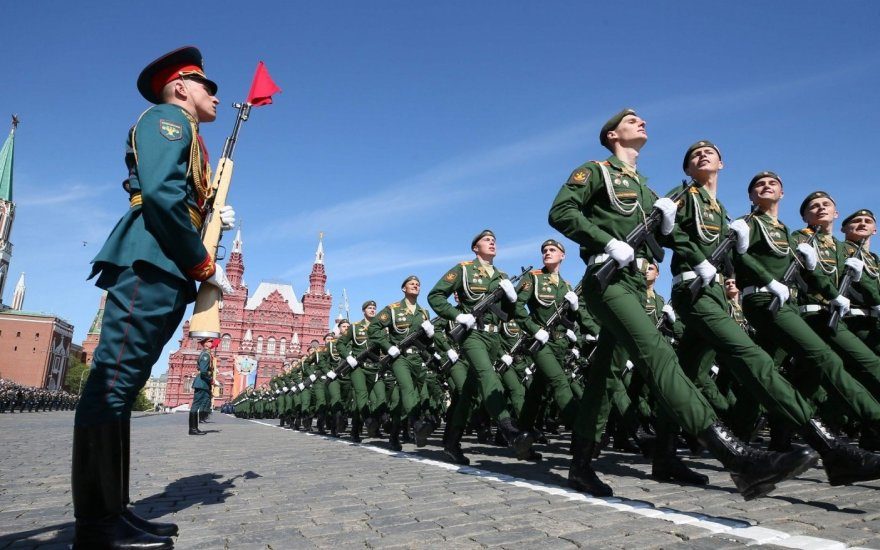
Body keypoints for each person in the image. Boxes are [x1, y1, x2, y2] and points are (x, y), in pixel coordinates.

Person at [548, 109, 816, 500]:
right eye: (631, 121)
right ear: (612, 135)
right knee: (659, 356)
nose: (641, 123)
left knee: (604, 376)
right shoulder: (595, 172)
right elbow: (561, 212)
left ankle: (581, 464)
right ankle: (737, 458)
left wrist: (676, 232)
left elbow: (669, 238)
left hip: (637, 284)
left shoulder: (646, 189)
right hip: (607, 279)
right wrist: (605, 241)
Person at [71, 46, 235, 550]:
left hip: (165, 262)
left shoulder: (190, 135)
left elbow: (176, 196)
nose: (215, 94)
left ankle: (114, 511)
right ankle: (97, 526)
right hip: (152, 258)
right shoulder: (168, 119)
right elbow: (162, 197)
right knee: (112, 385)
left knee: (123, 386)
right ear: (181, 85)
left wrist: (210, 219)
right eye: (208, 85)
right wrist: (202, 262)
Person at [428, 230, 535, 465]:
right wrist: (457, 316)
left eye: (494, 240)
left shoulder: (502, 276)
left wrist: (511, 297)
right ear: (475, 248)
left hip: (494, 338)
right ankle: (510, 430)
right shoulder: (463, 269)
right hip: (472, 334)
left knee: (469, 393)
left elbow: (507, 316)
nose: (492, 242)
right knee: (489, 376)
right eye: (486, 240)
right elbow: (435, 296)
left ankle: (450, 442)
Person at [189, 338, 215, 435]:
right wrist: (211, 380)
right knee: (195, 405)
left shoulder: (206, 354)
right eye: (209, 341)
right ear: (204, 344)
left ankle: (194, 427)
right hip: (202, 383)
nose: (211, 343)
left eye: (211, 341)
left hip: (202, 383)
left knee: (197, 405)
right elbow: (204, 372)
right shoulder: (205, 355)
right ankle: (192, 429)